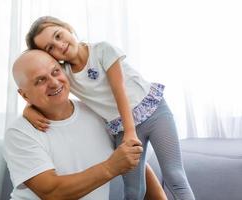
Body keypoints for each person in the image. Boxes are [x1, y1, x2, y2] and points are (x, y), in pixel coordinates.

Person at [24, 16, 195, 200]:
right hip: (121, 126)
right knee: (133, 189)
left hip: (154, 113)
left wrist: (130, 132)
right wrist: (28, 111)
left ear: (67, 28)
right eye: (50, 48)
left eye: (58, 36)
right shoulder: (63, 74)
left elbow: (119, 90)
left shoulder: (102, 50)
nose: (59, 45)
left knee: (174, 176)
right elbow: (37, 95)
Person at [4, 49, 151, 199]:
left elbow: (132, 156)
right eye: (40, 80)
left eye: (55, 72)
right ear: (24, 95)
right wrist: (110, 168)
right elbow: (52, 192)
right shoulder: (19, 132)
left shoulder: (97, 112)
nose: (54, 83)